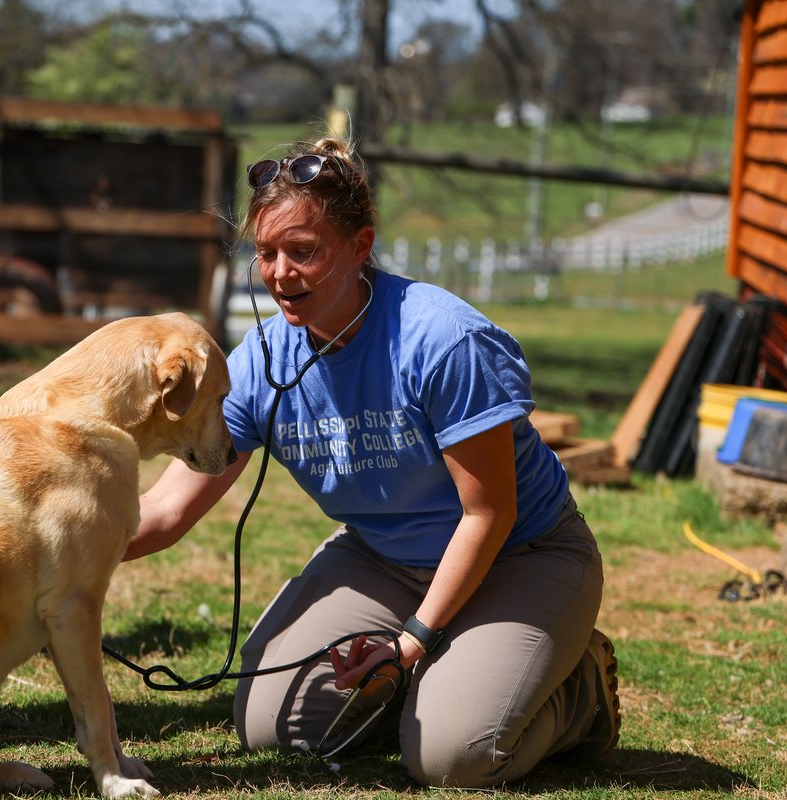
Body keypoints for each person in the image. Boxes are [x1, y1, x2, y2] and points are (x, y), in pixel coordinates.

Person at [125, 136, 620, 788]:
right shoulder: (258, 362)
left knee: (454, 759)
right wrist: (53, 558)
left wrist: (410, 641)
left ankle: (579, 689)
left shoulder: (442, 340)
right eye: (266, 254)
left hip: (518, 556)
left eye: (303, 252)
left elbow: (489, 511)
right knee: (275, 728)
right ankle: (446, 687)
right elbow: (164, 509)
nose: (278, 274)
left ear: (360, 246)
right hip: (383, 558)